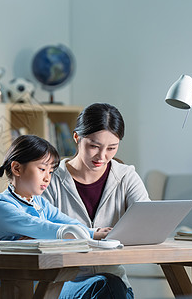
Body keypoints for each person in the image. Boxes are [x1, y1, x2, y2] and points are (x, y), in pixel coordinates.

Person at [0, 134, 113, 299]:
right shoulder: (2, 207)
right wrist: (67, 234)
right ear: (17, 168)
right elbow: (41, 227)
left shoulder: (38, 202)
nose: (47, 177)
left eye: (50, 171)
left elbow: (65, 221)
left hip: (34, 287)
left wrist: (94, 232)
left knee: (107, 283)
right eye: (42, 169)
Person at [43, 102, 151, 298]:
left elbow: (148, 222)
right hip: (63, 282)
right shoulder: (51, 179)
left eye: (112, 148)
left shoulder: (126, 177)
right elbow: (39, 233)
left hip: (115, 283)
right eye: (94, 146)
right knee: (107, 286)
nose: (102, 156)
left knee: (110, 285)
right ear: (77, 137)